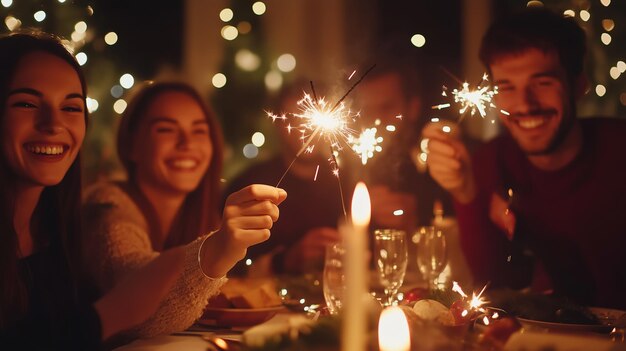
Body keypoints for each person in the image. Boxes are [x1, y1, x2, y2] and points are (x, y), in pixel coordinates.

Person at [0, 30, 206, 349]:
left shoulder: (56, 230)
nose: (52, 124)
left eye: (70, 108)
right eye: (26, 103)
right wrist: (112, 314)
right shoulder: (105, 210)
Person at [423, 8, 626, 309]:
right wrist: (464, 191)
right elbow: (495, 289)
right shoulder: (489, 161)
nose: (525, 105)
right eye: (507, 87)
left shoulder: (618, 150)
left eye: (542, 83)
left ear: (578, 85)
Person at [82, 81, 287, 339]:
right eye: (166, 130)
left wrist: (284, 261)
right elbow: (132, 293)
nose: (187, 143)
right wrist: (215, 250)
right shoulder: (107, 209)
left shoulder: (199, 213)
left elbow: (230, 285)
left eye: (199, 131)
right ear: (132, 145)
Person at [226, 81, 346, 276]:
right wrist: (285, 260)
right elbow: (228, 269)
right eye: (293, 118)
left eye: (309, 118)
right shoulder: (251, 185)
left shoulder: (346, 181)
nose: (304, 129)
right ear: (278, 123)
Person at [353, 49, 453, 232]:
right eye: (367, 110)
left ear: (413, 108)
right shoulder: (344, 167)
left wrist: (422, 215)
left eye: (386, 107)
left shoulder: (446, 158)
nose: (376, 119)